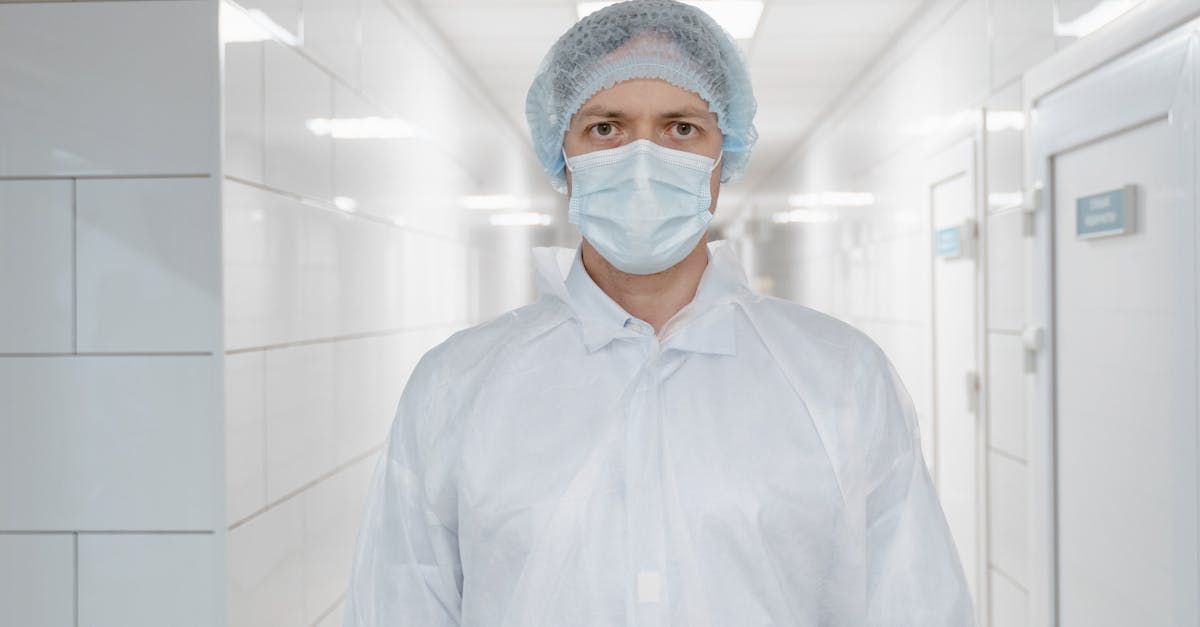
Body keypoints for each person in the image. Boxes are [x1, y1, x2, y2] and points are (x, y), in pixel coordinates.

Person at [342, 1, 974, 625]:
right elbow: (397, 604)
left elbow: (914, 602)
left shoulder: (839, 379)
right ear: (560, 153)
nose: (642, 159)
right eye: (606, 128)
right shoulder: (456, 388)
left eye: (680, 129)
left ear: (722, 155)